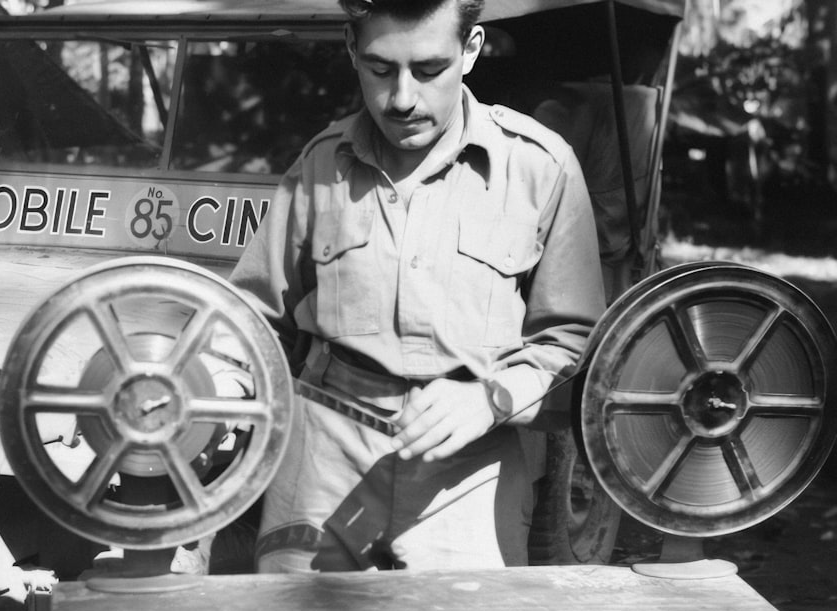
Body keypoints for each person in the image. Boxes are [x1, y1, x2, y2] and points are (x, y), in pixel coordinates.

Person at [228, 0, 606, 573]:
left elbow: (574, 346)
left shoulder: (539, 168)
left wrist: (489, 398)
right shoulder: (319, 167)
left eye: (429, 70)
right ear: (353, 48)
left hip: (471, 468)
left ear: (471, 50)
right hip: (321, 461)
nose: (402, 99)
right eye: (381, 69)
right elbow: (248, 323)